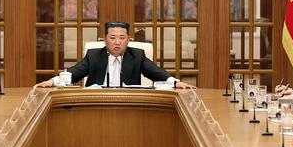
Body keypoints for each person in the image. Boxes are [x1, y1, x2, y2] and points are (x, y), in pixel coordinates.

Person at [36, 22, 194, 89]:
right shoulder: (94, 55)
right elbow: (74, 72)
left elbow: (156, 71)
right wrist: (52, 81)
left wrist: (176, 83)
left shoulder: (137, 55)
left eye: (122, 38)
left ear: (128, 39)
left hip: (128, 105)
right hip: (96, 104)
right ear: (104, 40)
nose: (117, 42)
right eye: (112, 38)